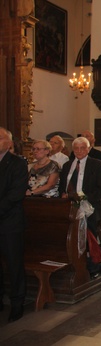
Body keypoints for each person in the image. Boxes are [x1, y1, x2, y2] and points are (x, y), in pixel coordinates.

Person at [59, 137, 101, 278]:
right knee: (72, 237)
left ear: (88, 149)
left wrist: (82, 199)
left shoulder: (97, 164)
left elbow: (100, 188)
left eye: (82, 148)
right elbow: (63, 184)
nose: (79, 151)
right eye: (76, 148)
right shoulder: (68, 165)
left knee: (89, 237)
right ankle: (75, 265)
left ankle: (93, 267)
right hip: (70, 206)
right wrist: (63, 194)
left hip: (89, 206)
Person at [0, 127, 28, 322]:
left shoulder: (18, 164)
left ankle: (17, 303)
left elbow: (15, 194)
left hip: (9, 221)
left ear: (9, 143)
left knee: (14, 264)